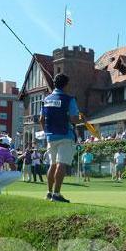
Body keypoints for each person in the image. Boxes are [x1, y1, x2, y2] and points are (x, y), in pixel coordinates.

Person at [40, 73, 81, 203]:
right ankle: (56, 194)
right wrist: (79, 117)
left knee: (52, 165)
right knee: (61, 164)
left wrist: (46, 132)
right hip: (65, 135)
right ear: (66, 85)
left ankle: (49, 193)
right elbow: (74, 119)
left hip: (50, 136)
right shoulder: (69, 99)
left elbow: (41, 119)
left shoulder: (46, 99)